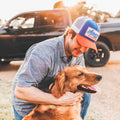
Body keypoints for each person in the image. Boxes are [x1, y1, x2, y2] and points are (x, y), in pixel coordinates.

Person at [11, 17, 100, 120]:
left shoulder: (77, 53)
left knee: (86, 95)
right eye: (80, 43)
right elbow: (21, 91)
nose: (82, 49)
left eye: (87, 46)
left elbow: (80, 82)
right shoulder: (43, 53)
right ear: (70, 33)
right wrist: (58, 100)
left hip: (55, 97)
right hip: (30, 105)